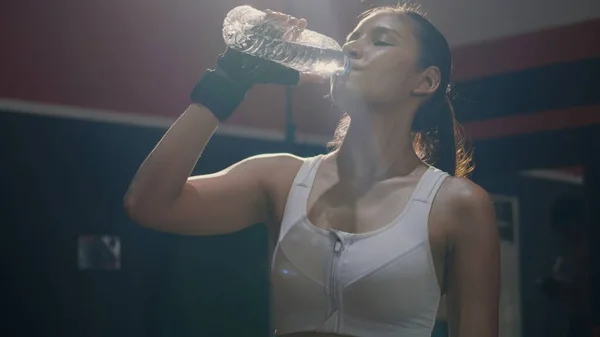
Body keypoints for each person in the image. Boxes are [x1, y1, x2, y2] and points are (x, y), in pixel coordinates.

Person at [124, 4, 500, 337]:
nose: (351, 48)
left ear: (426, 81)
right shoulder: (281, 180)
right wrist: (228, 81)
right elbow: (148, 203)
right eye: (351, 38)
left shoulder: (456, 205)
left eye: (380, 41)